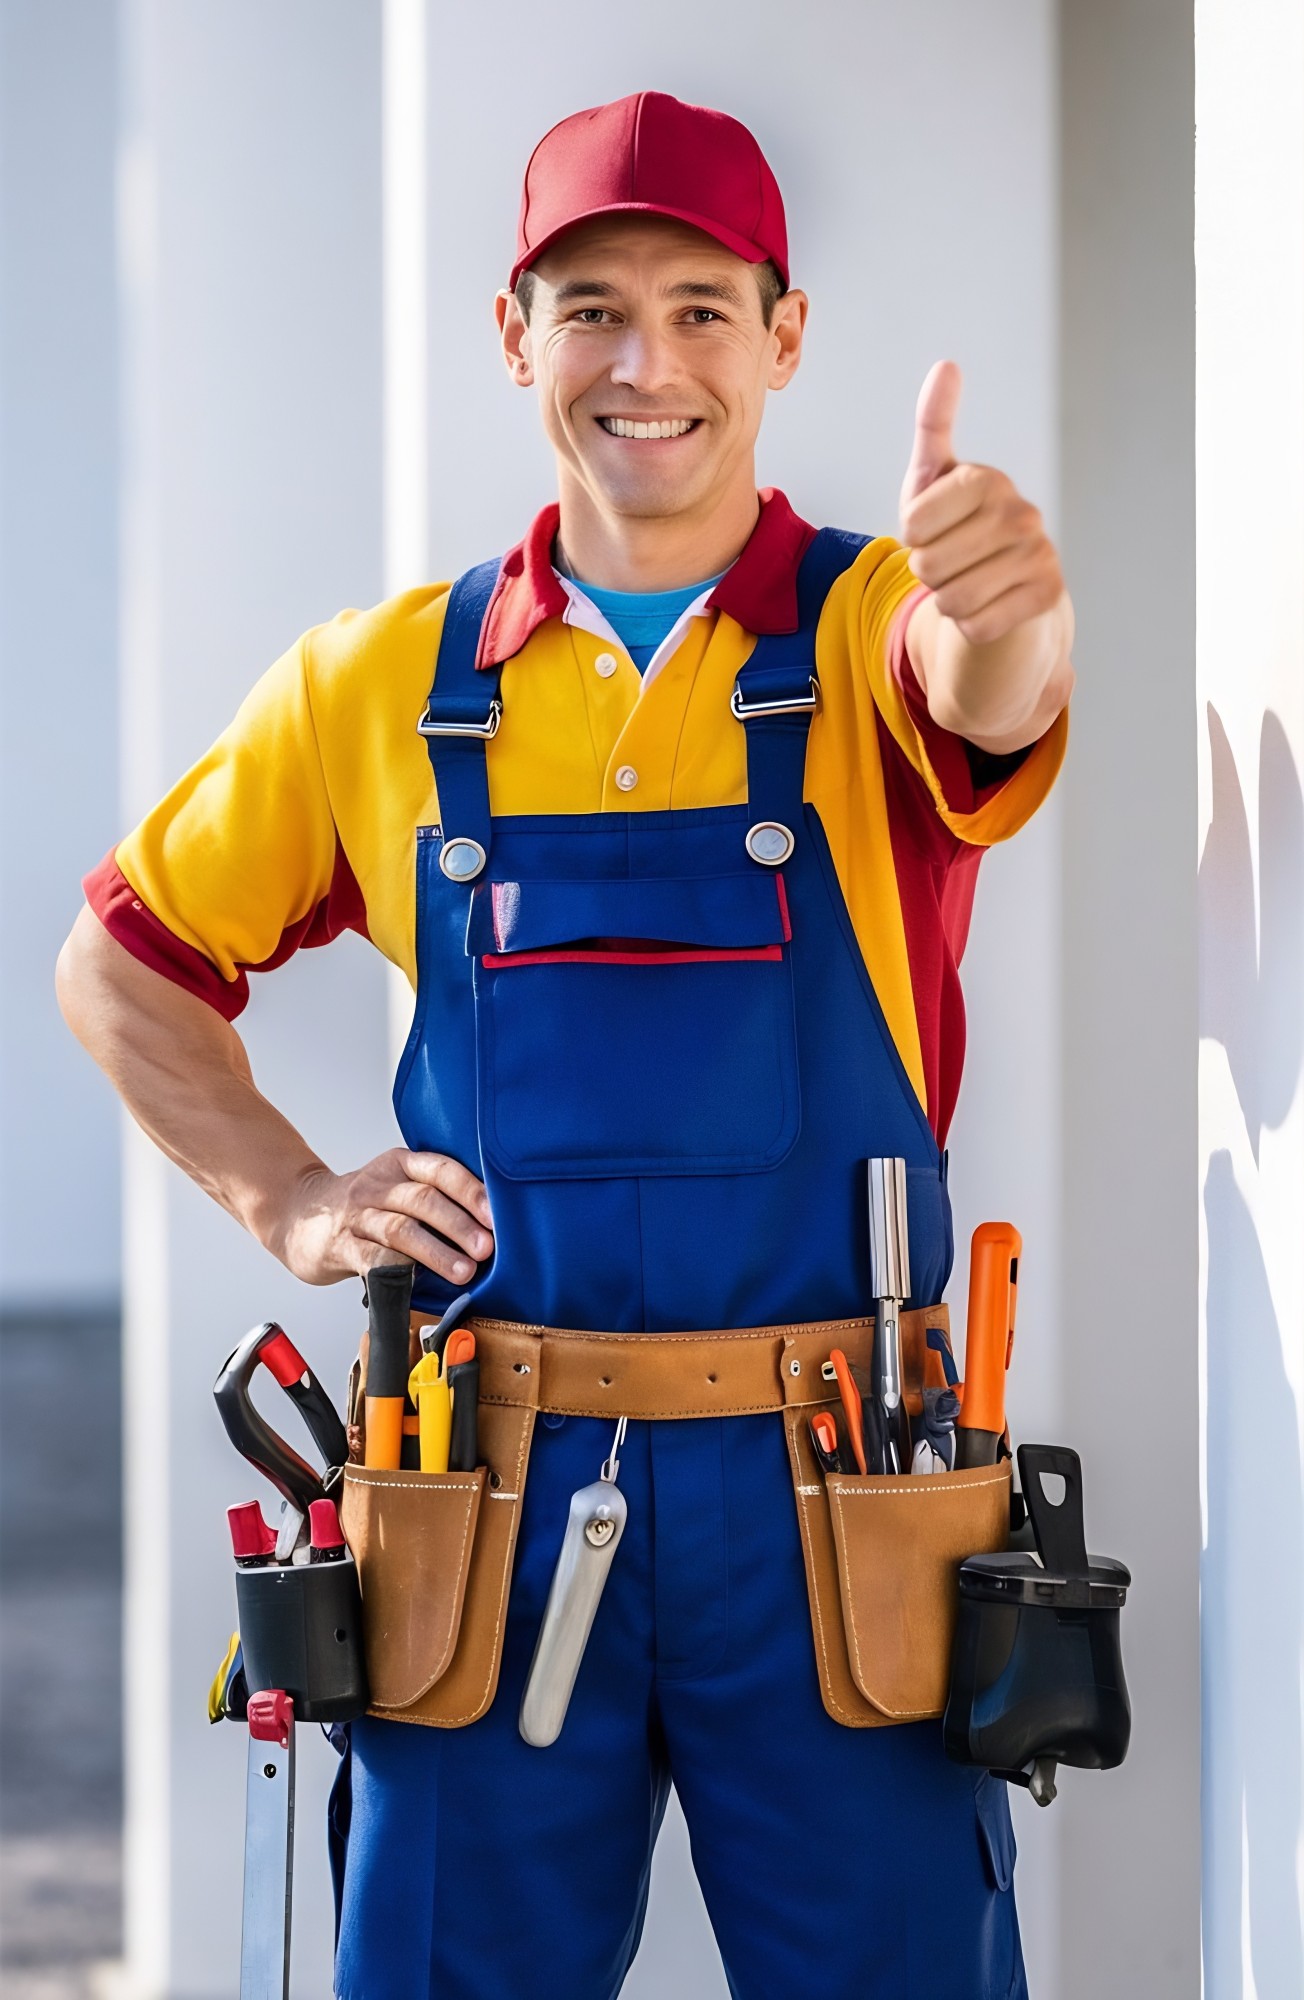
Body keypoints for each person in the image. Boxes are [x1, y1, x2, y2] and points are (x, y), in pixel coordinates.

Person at [59, 89, 1072, 2000]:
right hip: (486, 1509)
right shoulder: (381, 685)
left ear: (786, 337)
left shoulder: (873, 626)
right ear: (515, 335)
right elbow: (120, 965)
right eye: (593, 305)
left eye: (703, 307)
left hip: (833, 1501)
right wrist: (290, 1198)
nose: (647, 362)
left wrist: (1005, 612)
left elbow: (983, 691)